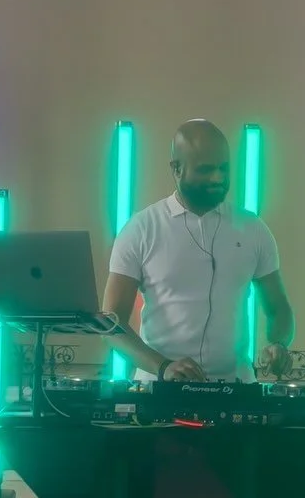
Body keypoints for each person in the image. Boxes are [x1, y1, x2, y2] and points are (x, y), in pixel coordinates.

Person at [103, 120, 294, 382]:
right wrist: (163, 367)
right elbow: (111, 325)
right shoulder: (141, 229)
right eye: (205, 170)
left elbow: (279, 309)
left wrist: (278, 343)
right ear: (176, 169)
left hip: (235, 389)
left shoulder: (253, 229)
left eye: (223, 168)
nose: (218, 178)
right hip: (161, 388)